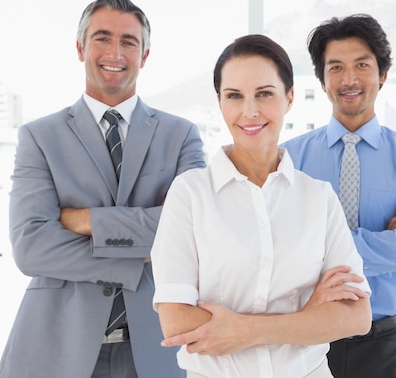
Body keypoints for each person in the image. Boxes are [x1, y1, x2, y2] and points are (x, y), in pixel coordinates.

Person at [0, 0, 205, 378]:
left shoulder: (181, 135)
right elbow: (32, 248)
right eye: (102, 38)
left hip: (159, 348)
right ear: (80, 48)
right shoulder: (39, 137)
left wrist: (88, 220)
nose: (115, 52)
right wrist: (138, 252)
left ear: (144, 56)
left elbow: (194, 232)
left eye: (129, 42)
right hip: (57, 348)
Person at [150, 34, 372, 378]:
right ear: (220, 102)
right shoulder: (190, 194)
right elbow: (176, 321)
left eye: (264, 94)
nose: (249, 110)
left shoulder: (318, 198)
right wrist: (306, 319)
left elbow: (355, 317)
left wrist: (242, 330)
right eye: (234, 96)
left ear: (289, 98)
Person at [281, 14, 396, 378]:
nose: (349, 79)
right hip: (303, 337)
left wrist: (320, 247)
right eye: (335, 67)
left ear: (382, 74)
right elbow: (279, 245)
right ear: (322, 80)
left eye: (362, 65)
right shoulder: (288, 159)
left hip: (383, 341)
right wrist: (383, 240)